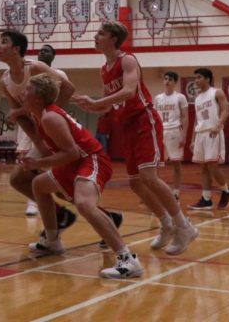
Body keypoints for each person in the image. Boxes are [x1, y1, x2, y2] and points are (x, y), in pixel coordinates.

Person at [71, 22, 199, 257]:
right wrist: (91, 106)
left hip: (144, 119)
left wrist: (98, 101)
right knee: (135, 183)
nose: (96, 37)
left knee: (149, 177)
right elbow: (110, 103)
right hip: (126, 125)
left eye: (101, 33)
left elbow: (129, 91)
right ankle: (166, 223)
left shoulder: (127, 60)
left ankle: (184, 226)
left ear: (113, 38)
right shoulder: (104, 68)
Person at [21, 74, 144, 279]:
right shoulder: (40, 114)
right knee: (39, 185)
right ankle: (52, 241)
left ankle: (128, 260)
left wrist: (38, 164)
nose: (23, 92)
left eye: (28, 89)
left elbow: (73, 152)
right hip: (75, 162)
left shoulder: (50, 117)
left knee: (84, 203)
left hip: (91, 158)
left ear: (38, 98)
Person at [0, 30, 78, 223]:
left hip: (59, 130)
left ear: (16, 49)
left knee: (61, 189)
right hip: (42, 134)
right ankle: (59, 218)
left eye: (3, 42)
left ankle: (104, 217)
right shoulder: (4, 81)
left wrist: (49, 117)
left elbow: (68, 88)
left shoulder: (34, 68)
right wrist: (39, 142)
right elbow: (23, 117)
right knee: (20, 179)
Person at [189, 68, 229, 211]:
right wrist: (193, 139)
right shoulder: (197, 98)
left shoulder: (217, 92)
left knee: (212, 165)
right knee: (204, 167)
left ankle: (226, 191)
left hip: (213, 132)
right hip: (201, 133)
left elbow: (226, 110)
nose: (196, 80)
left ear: (208, 79)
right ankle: (206, 199)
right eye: (195, 78)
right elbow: (197, 120)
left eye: (199, 77)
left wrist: (218, 125)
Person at [154, 71, 190, 200]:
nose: (167, 81)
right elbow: (154, 117)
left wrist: (184, 135)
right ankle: (158, 191)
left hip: (175, 130)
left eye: (169, 79)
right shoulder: (158, 98)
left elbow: (185, 117)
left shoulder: (180, 97)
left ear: (175, 82)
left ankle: (176, 191)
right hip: (160, 131)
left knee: (176, 163)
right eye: (165, 79)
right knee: (156, 163)